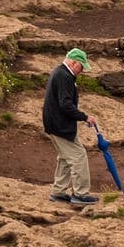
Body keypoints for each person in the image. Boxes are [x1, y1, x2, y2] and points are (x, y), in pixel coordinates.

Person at [43, 49, 98, 205]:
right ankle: (80, 194)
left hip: (54, 123)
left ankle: (58, 192)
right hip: (60, 126)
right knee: (79, 156)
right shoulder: (64, 76)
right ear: (74, 62)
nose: (82, 71)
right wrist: (85, 117)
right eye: (81, 67)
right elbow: (65, 104)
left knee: (65, 158)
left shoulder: (60, 73)